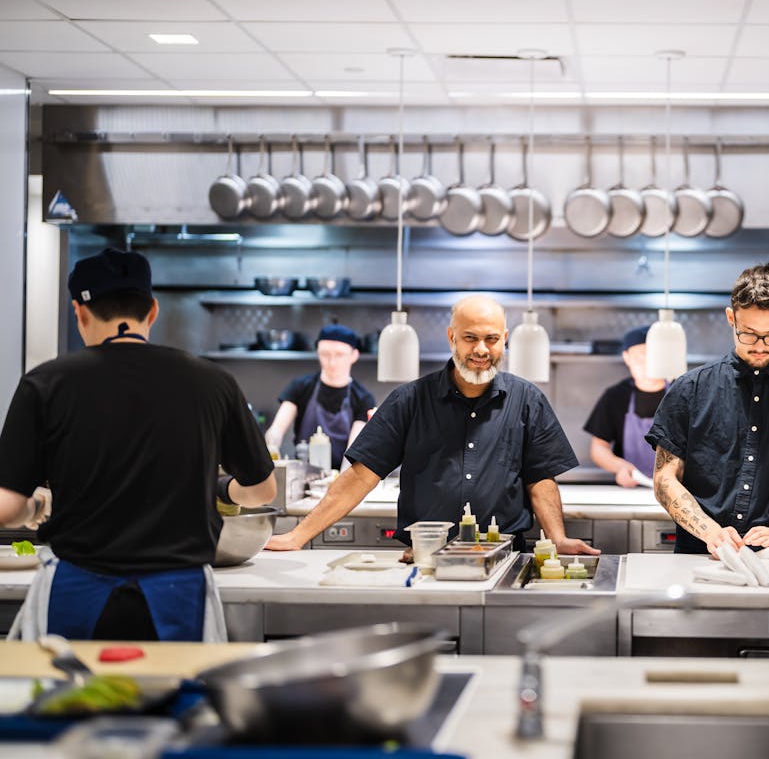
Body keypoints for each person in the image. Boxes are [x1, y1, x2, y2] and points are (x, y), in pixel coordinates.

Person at [0, 248, 275, 641]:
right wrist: (221, 488)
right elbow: (261, 491)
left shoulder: (46, 383)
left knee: (71, 697)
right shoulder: (212, 382)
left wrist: (36, 506)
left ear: (78, 312)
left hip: (77, 591)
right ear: (153, 311)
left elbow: (6, 509)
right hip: (179, 593)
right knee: (177, 696)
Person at [266, 294, 598, 556]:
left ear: (505, 339)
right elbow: (359, 477)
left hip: (503, 558)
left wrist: (558, 538)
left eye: (491, 339)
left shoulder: (527, 400)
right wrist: (298, 536)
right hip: (425, 558)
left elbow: (540, 480)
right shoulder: (408, 401)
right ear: (452, 336)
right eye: (470, 338)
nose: (481, 349)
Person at [646, 263, 769, 557]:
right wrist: (708, 530)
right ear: (731, 318)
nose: (761, 346)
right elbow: (665, 478)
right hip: (698, 554)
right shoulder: (690, 390)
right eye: (749, 334)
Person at [263, 324, 375, 469]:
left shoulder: (363, 398)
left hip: (342, 474)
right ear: (318, 352)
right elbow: (277, 429)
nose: (332, 361)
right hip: (302, 475)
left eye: (339, 355)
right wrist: (271, 446)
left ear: (354, 355)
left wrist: (340, 483)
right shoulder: (300, 387)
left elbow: (354, 450)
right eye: (325, 354)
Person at [583, 325, 667, 487]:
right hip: (631, 489)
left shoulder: (683, 392)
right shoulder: (615, 396)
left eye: (653, 358)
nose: (647, 366)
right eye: (640, 359)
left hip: (677, 492)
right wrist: (620, 467)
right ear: (627, 357)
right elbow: (599, 448)